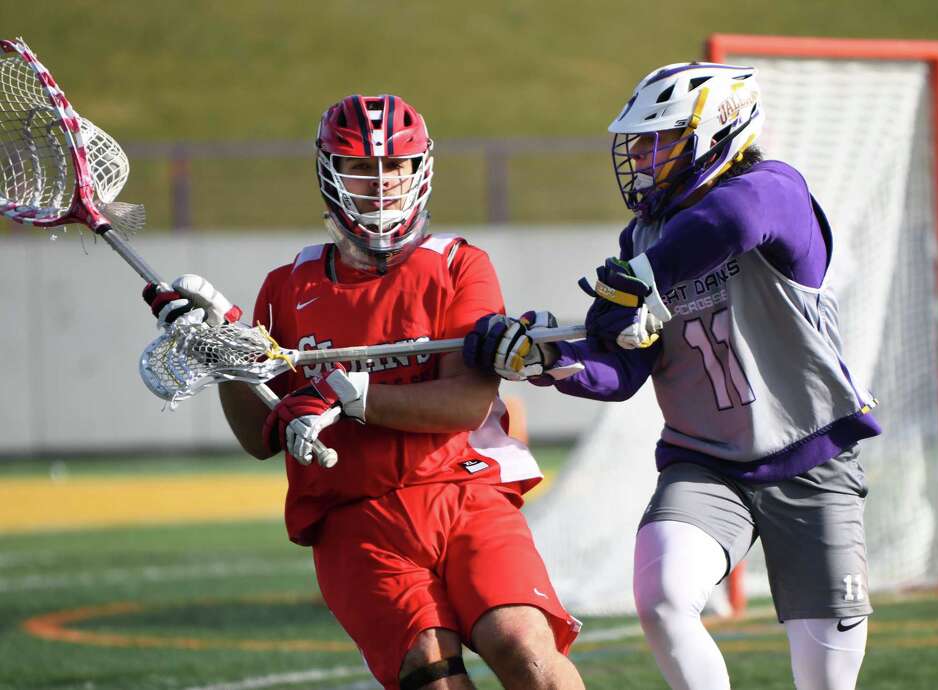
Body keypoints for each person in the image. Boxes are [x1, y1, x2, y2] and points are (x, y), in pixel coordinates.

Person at [143, 94, 583, 690]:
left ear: (419, 170)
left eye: (394, 167)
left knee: (524, 650)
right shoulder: (286, 286)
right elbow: (258, 437)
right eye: (360, 167)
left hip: (463, 493)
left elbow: (465, 404)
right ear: (330, 172)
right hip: (356, 518)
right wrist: (219, 349)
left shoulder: (459, 265)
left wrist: (351, 396)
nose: (380, 184)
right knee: (432, 675)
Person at [463, 63, 880, 690]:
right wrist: (546, 362)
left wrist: (645, 278)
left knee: (825, 681)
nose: (640, 155)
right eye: (638, 141)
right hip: (706, 462)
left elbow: (736, 221)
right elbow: (621, 369)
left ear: (715, 134)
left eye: (658, 139)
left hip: (811, 458)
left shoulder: (774, 189)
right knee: (661, 595)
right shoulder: (644, 238)